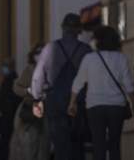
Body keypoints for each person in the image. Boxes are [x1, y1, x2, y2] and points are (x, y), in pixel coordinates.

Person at [68, 25, 134, 160]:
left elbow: (78, 82)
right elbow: (128, 84)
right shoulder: (121, 58)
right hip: (116, 106)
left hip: (95, 106)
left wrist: (72, 102)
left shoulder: (89, 59)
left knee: (98, 144)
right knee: (115, 144)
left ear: (97, 41)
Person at [30, 13, 93, 160]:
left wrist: (36, 99)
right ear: (79, 30)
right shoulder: (86, 50)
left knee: (60, 145)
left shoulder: (51, 48)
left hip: (55, 103)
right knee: (78, 145)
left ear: (62, 28)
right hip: (78, 101)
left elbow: (38, 77)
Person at [10, 43, 50, 160]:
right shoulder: (30, 70)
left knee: (46, 141)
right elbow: (17, 86)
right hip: (33, 108)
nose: (39, 55)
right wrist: (29, 92)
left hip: (47, 107)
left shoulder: (51, 69)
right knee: (33, 140)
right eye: (37, 53)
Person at [0, 57, 19, 160]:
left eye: (6, 66)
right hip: (5, 119)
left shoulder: (14, 81)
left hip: (11, 118)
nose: (3, 68)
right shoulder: (6, 81)